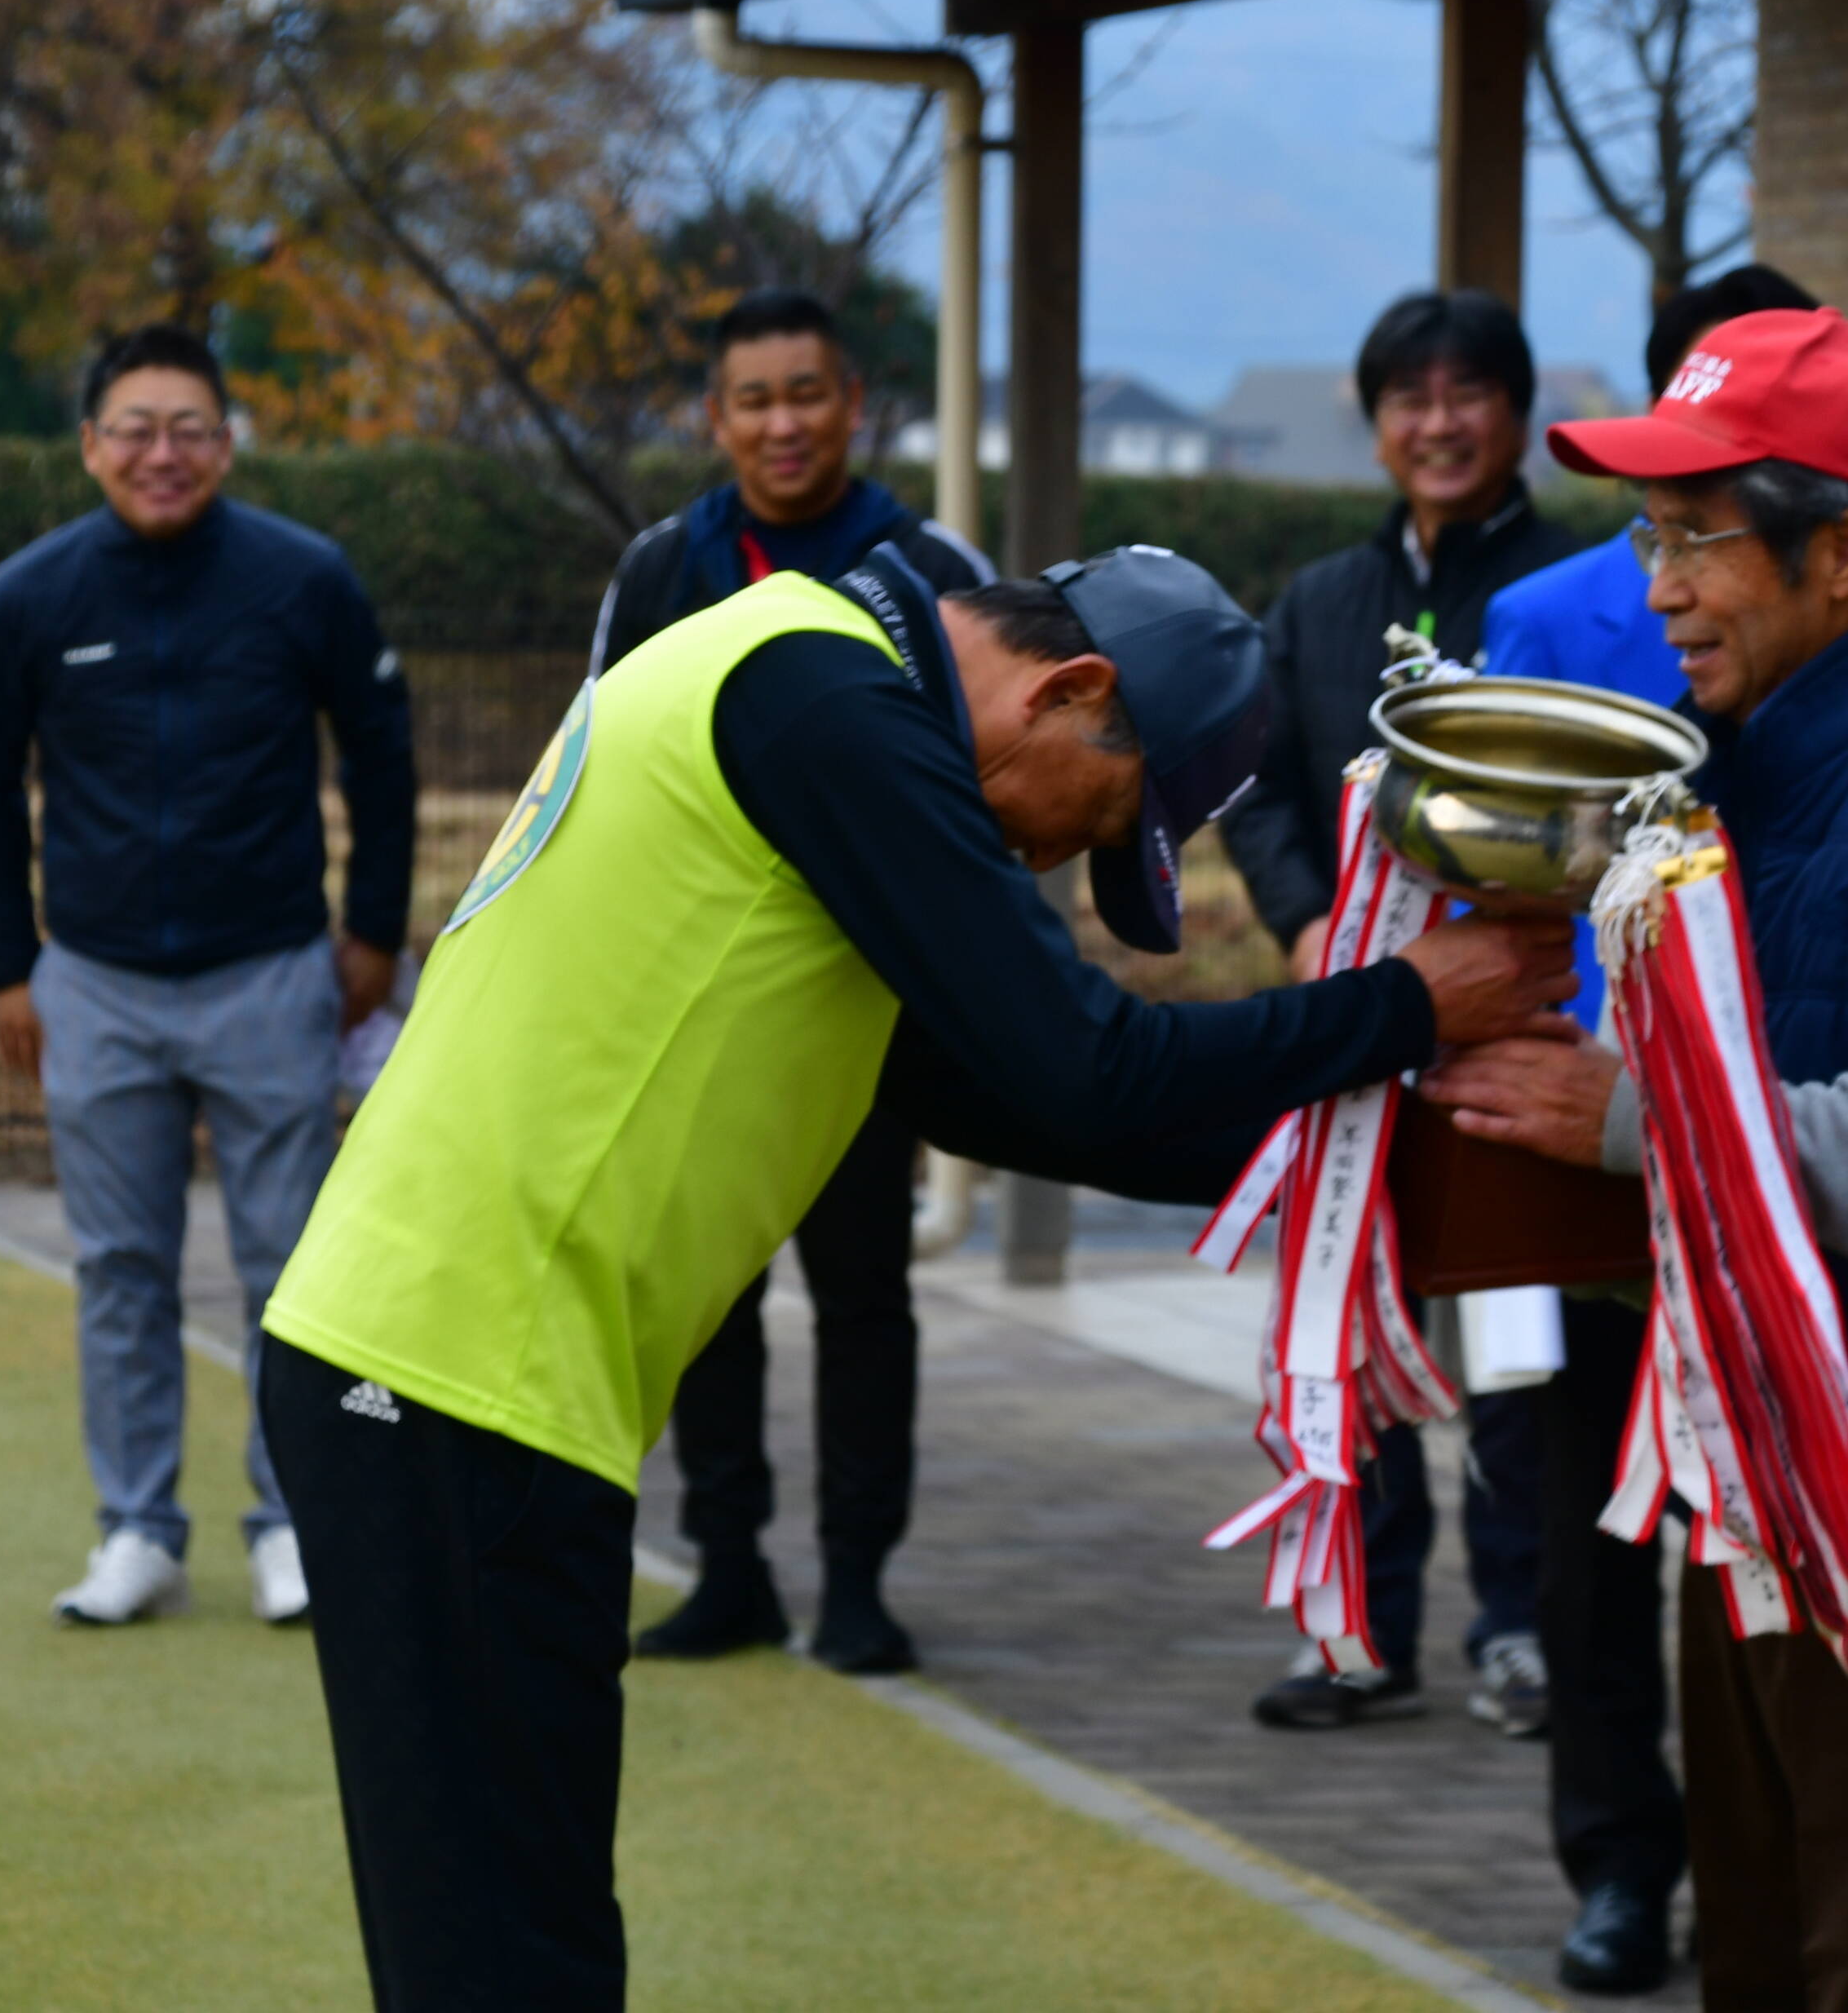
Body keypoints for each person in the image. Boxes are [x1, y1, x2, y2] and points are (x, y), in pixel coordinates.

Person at [259, 538, 1573, 2008]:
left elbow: (987, 1094)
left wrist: (1378, 1159)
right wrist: (1401, 1005)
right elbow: (1082, 1070)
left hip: (446, 1371)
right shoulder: (826, 698)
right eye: (1102, 822)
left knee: (516, 1935)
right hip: (457, 1378)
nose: (1048, 863)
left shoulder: (793, 670)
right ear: (1070, 690)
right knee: (506, 1959)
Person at [1421, 307, 1848, 2011]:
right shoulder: (1709, 787)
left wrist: (1622, 1120)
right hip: (1758, 1490)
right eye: (1648, 535)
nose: (1655, 585)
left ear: (1839, 555)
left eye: (1693, 538)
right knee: (1756, 1958)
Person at [0, 321, 413, 1630]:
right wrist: (6, 968)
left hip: (273, 973)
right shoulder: (29, 596)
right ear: (91, 446)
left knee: (292, 1270)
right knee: (121, 1267)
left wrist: (372, 928)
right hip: (90, 981)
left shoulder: (303, 579)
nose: (164, 453)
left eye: (190, 429)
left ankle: (291, 1524)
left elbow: (383, 753)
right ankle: (137, 1528)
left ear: (227, 443)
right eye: (136, 430)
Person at [1477, 259, 1819, 1996]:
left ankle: (1787, 1853)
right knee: (1589, 1530)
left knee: (1775, 1519)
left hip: (1793, 1117)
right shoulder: (1546, 619)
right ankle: (1619, 1860)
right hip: (1592, 1139)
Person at [591, 287, 990, 1676]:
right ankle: (732, 1567)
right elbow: (604, 778)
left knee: (865, 1298)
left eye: (805, 393)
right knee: (706, 1300)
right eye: (752, 399)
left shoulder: (933, 565)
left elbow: (990, 783)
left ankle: (860, 1581)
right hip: (704, 1016)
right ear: (715, 419)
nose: (780, 422)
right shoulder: (662, 565)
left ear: (854, 404)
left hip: (868, 1013)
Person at [1218, 287, 1582, 1735]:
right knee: (1340, 1324)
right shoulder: (1318, 604)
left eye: (1467, 394)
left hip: (1519, 1028)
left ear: (1514, 410)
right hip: (1351, 1025)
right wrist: (1307, 914)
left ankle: (1523, 1623)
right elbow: (1247, 781)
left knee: (1514, 1336)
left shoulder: (1573, 587)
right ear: (1375, 424)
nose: (1438, 424)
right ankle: (1355, 1626)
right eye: (1408, 399)